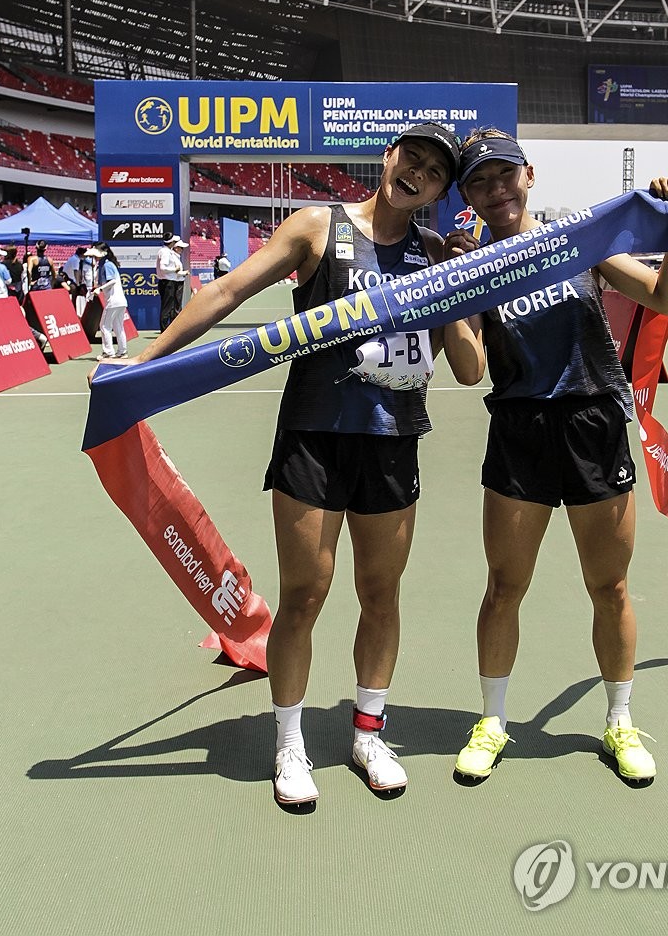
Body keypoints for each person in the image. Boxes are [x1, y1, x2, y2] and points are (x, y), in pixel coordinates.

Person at [99, 124, 482, 807]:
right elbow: (227, 294)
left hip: (392, 442)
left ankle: (367, 734)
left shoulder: (431, 253)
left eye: (431, 172)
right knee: (305, 596)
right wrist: (146, 359)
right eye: (410, 157)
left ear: (439, 192)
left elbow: (468, 367)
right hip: (313, 437)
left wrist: (459, 283)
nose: (415, 173)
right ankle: (290, 742)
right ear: (387, 155)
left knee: (381, 595)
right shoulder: (316, 226)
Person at [443, 129, 668, 785]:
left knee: (607, 587)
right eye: (479, 182)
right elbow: (467, 371)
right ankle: (492, 723)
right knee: (504, 587)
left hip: (592, 423)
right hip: (519, 430)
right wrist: (451, 289)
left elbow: (666, 296)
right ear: (467, 195)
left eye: (504, 176)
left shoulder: (579, 246)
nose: (495, 190)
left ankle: (618, 722)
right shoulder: (473, 265)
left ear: (528, 176)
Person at [89, 243, 128, 360]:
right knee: (118, 327)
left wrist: (100, 289)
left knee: (105, 326)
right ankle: (122, 351)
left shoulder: (107, 265)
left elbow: (113, 281)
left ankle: (108, 352)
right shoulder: (105, 264)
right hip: (120, 301)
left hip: (113, 301)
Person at [155, 234, 189, 332]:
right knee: (167, 308)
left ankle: (167, 329)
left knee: (170, 307)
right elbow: (163, 268)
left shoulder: (167, 252)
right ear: (172, 243)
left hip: (169, 281)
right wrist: (175, 269)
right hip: (167, 282)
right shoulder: (165, 252)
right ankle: (165, 330)